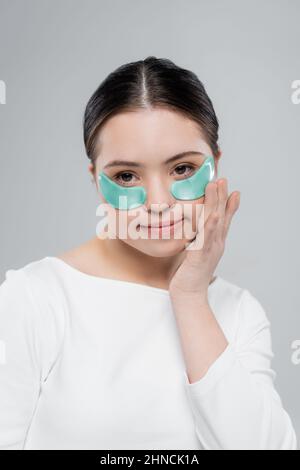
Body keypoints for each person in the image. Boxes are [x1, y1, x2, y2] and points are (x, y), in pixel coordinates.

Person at [0, 56, 297, 450]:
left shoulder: (240, 313)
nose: (157, 203)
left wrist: (190, 297)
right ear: (95, 179)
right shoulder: (34, 298)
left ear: (215, 164)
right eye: (126, 176)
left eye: (183, 169)